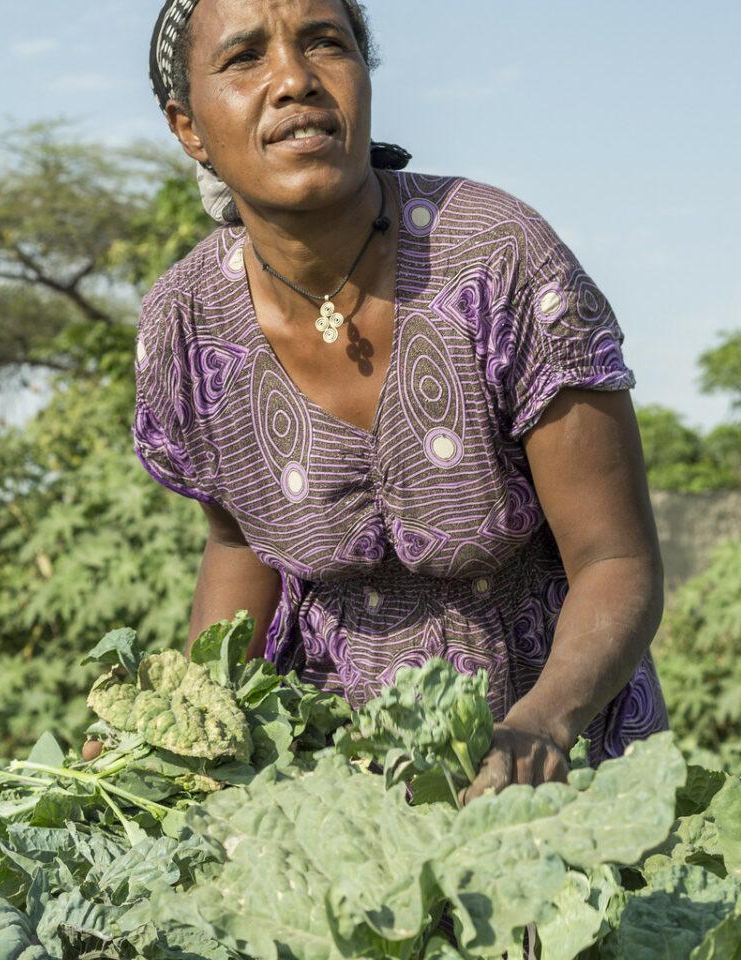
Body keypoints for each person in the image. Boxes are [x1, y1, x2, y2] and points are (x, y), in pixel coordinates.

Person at [134, 0, 668, 799]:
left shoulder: (496, 258)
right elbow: (238, 544)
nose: (293, 80)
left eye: (325, 43)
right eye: (246, 57)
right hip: (327, 770)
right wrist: (184, 733)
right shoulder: (187, 321)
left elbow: (616, 560)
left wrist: (543, 723)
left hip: (549, 754)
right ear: (189, 128)